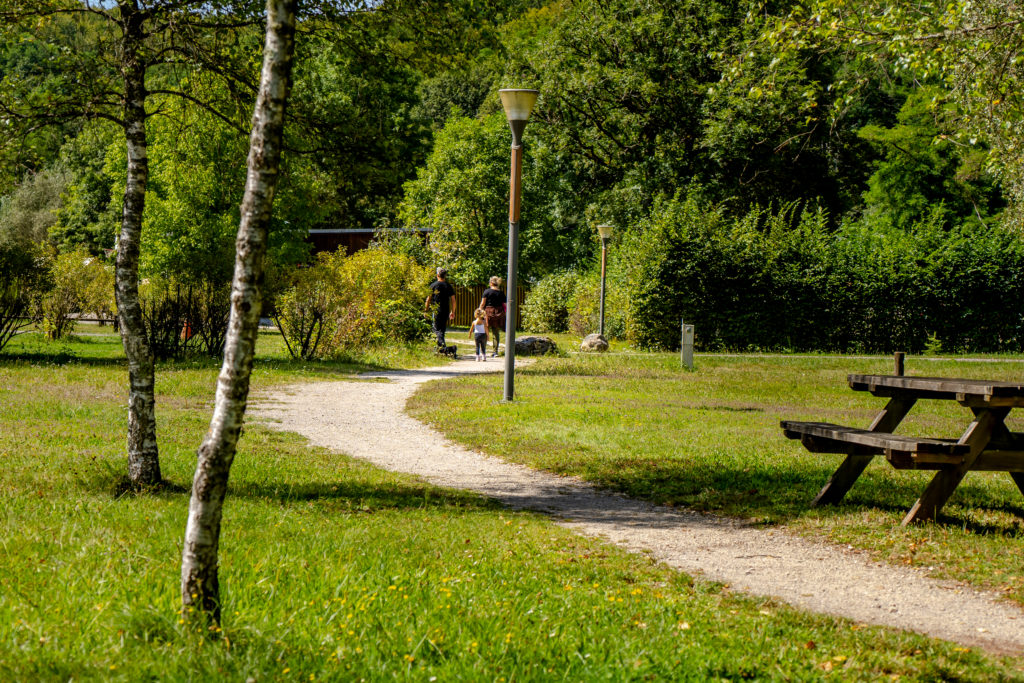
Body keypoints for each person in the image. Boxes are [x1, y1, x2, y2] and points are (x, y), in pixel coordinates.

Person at [425, 267, 456, 349]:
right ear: (445, 276)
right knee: (442, 329)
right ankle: (441, 348)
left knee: (436, 329)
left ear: (437, 275)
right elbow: (453, 300)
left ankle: (443, 346)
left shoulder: (433, 285)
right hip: (446, 310)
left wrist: (426, 310)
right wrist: (452, 312)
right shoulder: (448, 286)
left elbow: (428, 299)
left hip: (436, 310)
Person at [478, 275, 506, 357]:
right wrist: (505, 313)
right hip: (498, 312)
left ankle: (483, 351)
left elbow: (483, 303)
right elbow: (505, 305)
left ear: (491, 283)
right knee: (496, 333)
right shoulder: (501, 293)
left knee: (484, 331)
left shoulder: (487, 292)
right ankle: (495, 352)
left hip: (488, 312)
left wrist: (479, 311)